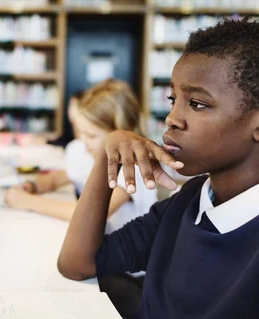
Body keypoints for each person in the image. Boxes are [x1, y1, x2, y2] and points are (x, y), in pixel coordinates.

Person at [58, 19, 259, 319]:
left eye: (198, 104)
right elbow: (77, 264)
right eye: (173, 99)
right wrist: (106, 157)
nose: (172, 119)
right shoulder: (189, 200)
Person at [5, 79, 156, 234]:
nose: (83, 141)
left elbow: (89, 215)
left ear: (120, 132)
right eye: (80, 131)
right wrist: (34, 186)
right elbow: (57, 179)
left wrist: (29, 202)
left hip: (129, 252)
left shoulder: (134, 168)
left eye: (91, 136)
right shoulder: (88, 152)